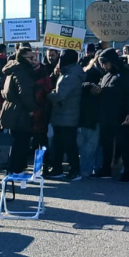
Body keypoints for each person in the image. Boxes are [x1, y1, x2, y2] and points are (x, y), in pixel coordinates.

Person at [93, 49, 129, 182]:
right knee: (107, 144)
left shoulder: (126, 74)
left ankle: (127, 171)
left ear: (112, 61)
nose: (103, 66)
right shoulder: (106, 75)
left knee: (124, 144)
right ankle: (106, 169)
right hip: (107, 115)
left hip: (121, 116)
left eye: (105, 63)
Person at [0, 47, 40, 173]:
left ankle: (15, 168)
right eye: (31, 57)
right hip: (20, 111)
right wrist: (32, 108)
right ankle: (17, 169)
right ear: (23, 58)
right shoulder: (22, 72)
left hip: (13, 109)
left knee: (17, 141)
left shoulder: (14, 69)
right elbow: (25, 93)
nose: (33, 60)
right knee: (21, 142)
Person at [46, 50, 83, 180]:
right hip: (65, 115)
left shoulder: (71, 76)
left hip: (67, 116)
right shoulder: (70, 72)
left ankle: (74, 170)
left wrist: (48, 94)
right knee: (59, 144)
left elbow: (60, 95)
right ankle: (58, 169)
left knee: (68, 145)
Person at [78, 55, 104, 177]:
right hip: (92, 116)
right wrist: (90, 86)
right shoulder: (94, 74)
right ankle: (88, 169)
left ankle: (89, 169)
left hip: (87, 115)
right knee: (91, 145)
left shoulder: (87, 72)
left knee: (89, 145)